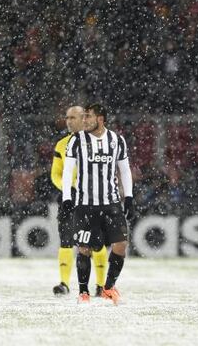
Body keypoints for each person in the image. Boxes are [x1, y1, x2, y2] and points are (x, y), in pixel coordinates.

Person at [60, 103, 135, 305]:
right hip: (85, 204)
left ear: (100, 119)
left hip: (111, 204)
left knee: (121, 245)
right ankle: (83, 292)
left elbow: (125, 170)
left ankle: (108, 288)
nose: (83, 120)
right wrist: (67, 197)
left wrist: (129, 197)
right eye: (83, 116)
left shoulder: (117, 140)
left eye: (88, 117)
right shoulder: (76, 140)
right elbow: (67, 171)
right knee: (84, 248)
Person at [51, 105, 108, 297]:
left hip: (94, 197)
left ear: (84, 119)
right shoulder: (61, 145)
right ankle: (64, 283)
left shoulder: (99, 141)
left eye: (73, 117)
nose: (69, 121)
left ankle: (101, 285)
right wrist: (69, 189)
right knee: (66, 240)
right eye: (67, 118)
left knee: (97, 242)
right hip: (69, 197)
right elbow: (55, 175)